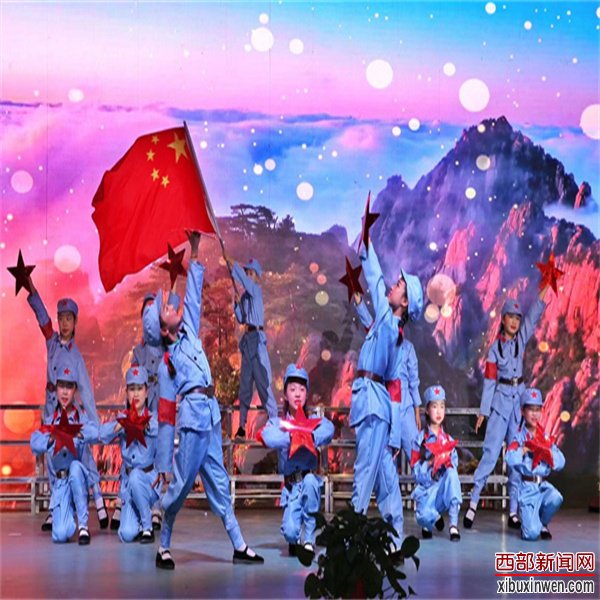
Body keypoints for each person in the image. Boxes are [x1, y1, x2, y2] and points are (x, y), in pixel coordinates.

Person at [143, 231, 264, 570]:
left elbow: (193, 296)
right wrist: (164, 465)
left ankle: (239, 545)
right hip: (192, 423)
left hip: (209, 417)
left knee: (219, 482)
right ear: (163, 329)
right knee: (181, 486)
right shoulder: (167, 363)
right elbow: (165, 416)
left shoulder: (189, 336)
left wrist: (194, 251)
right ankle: (163, 546)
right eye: (166, 308)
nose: (173, 304)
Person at [350, 239, 423, 560]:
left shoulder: (391, 325)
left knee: (365, 472)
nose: (393, 285)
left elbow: (376, 280)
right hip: (373, 403)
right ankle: (394, 539)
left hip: (373, 405)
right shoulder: (385, 324)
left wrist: (366, 245)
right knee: (385, 476)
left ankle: (350, 539)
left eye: (399, 286)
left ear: (404, 302)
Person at [26, 277, 108, 531]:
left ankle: (98, 498)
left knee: (82, 453)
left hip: (71, 414)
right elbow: (41, 318)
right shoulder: (51, 342)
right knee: (52, 458)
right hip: (52, 410)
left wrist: (93, 423)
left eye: (68, 319)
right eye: (61, 318)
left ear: (75, 323)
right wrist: (31, 287)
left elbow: (86, 391)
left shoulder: (76, 356)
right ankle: (55, 507)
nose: (64, 323)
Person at [464, 284, 548, 530]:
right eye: (510, 317)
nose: (515, 322)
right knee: (490, 454)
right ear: (503, 319)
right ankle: (472, 504)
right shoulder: (494, 349)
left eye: (517, 318)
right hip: (500, 405)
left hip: (518, 406)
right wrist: (484, 411)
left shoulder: (521, 341)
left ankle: (513, 510)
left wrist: (546, 286)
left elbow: (534, 316)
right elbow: (490, 382)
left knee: (516, 456)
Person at [258, 364, 334, 556]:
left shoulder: (315, 421)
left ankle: (309, 539)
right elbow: (266, 435)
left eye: (302, 389)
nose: (297, 394)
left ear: (307, 394)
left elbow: (329, 429)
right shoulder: (279, 423)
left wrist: (309, 436)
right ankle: (296, 536)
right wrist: (295, 436)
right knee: (290, 533)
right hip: (291, 487)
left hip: (308, 480)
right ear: (285, 394)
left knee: (310, 482)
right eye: (292, 389)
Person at [30, 360, 99, 544]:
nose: (65, 392)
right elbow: (34, 442)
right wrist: (51, 439)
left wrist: (77, 433)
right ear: (56, 389)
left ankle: (83, 526)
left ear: (75, 389)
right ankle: (66, 516)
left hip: (78, 478)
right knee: (60, 535)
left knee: (75, 467)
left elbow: (95, 432)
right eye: (61, 386)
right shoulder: (51, 421)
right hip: (61, 485)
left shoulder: (80, 418)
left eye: (69, 387)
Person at [352, 289, 422, 467]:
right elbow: (370, 325)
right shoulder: (381, 338)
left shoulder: (408, 348)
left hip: (404, 408)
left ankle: (427, 483)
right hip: (383, 405)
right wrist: (359, 303)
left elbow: (414, 381)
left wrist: (416, 409)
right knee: (384, 459)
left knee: (416, 454)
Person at [100, 366, 158, 543]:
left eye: (140, 388)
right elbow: (102, 435)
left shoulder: (153, 418)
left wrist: (142, 424)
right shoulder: (122, 418)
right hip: (128, 486)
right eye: (132, 389)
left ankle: (147, 527)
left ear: (146, 392)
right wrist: (120, 425)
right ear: (126, 393)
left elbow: (160, 433)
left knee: (135, 476)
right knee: (126, 534)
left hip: (148, 483)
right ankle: (139, 521)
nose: (136, 394)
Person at [224, 255, 278, 439]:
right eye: (246, 272)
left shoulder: (255, 290)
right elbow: (241, 319)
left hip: (257, 339)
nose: (248, 275)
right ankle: (242, 425)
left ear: (256, 276)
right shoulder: (246, 296)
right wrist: (237, 303)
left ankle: (274, 419)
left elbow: (244, 282)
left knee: (263, 382)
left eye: (250, 272)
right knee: (245, 384)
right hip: (247, 340)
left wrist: (233, 263)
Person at [505, 388, 565, 541]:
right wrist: (526, 449)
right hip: (527, 488)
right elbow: (510, 459)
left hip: (542, 486)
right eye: (531, 409)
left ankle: (542, 524)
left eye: (538, 409)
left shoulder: (545, 437)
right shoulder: (518, 437)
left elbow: (560, 462)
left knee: (556, 497)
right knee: (531, 535)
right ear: (522, 411)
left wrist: (548, 452)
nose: (535, 414)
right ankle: (532, 524)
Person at [410, 385, 462, 541]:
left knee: (452, 474)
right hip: (427, 491)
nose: (439, 411)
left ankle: (453, 525)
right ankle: (434, 517)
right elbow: (416, 474)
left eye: (442, 406)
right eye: (434, 406)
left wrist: (446, 461)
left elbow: (454, 470)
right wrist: (431, 463)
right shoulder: (419, 441)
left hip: (443, 489)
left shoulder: (449, 441)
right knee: (423, 518)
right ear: (427, 410)